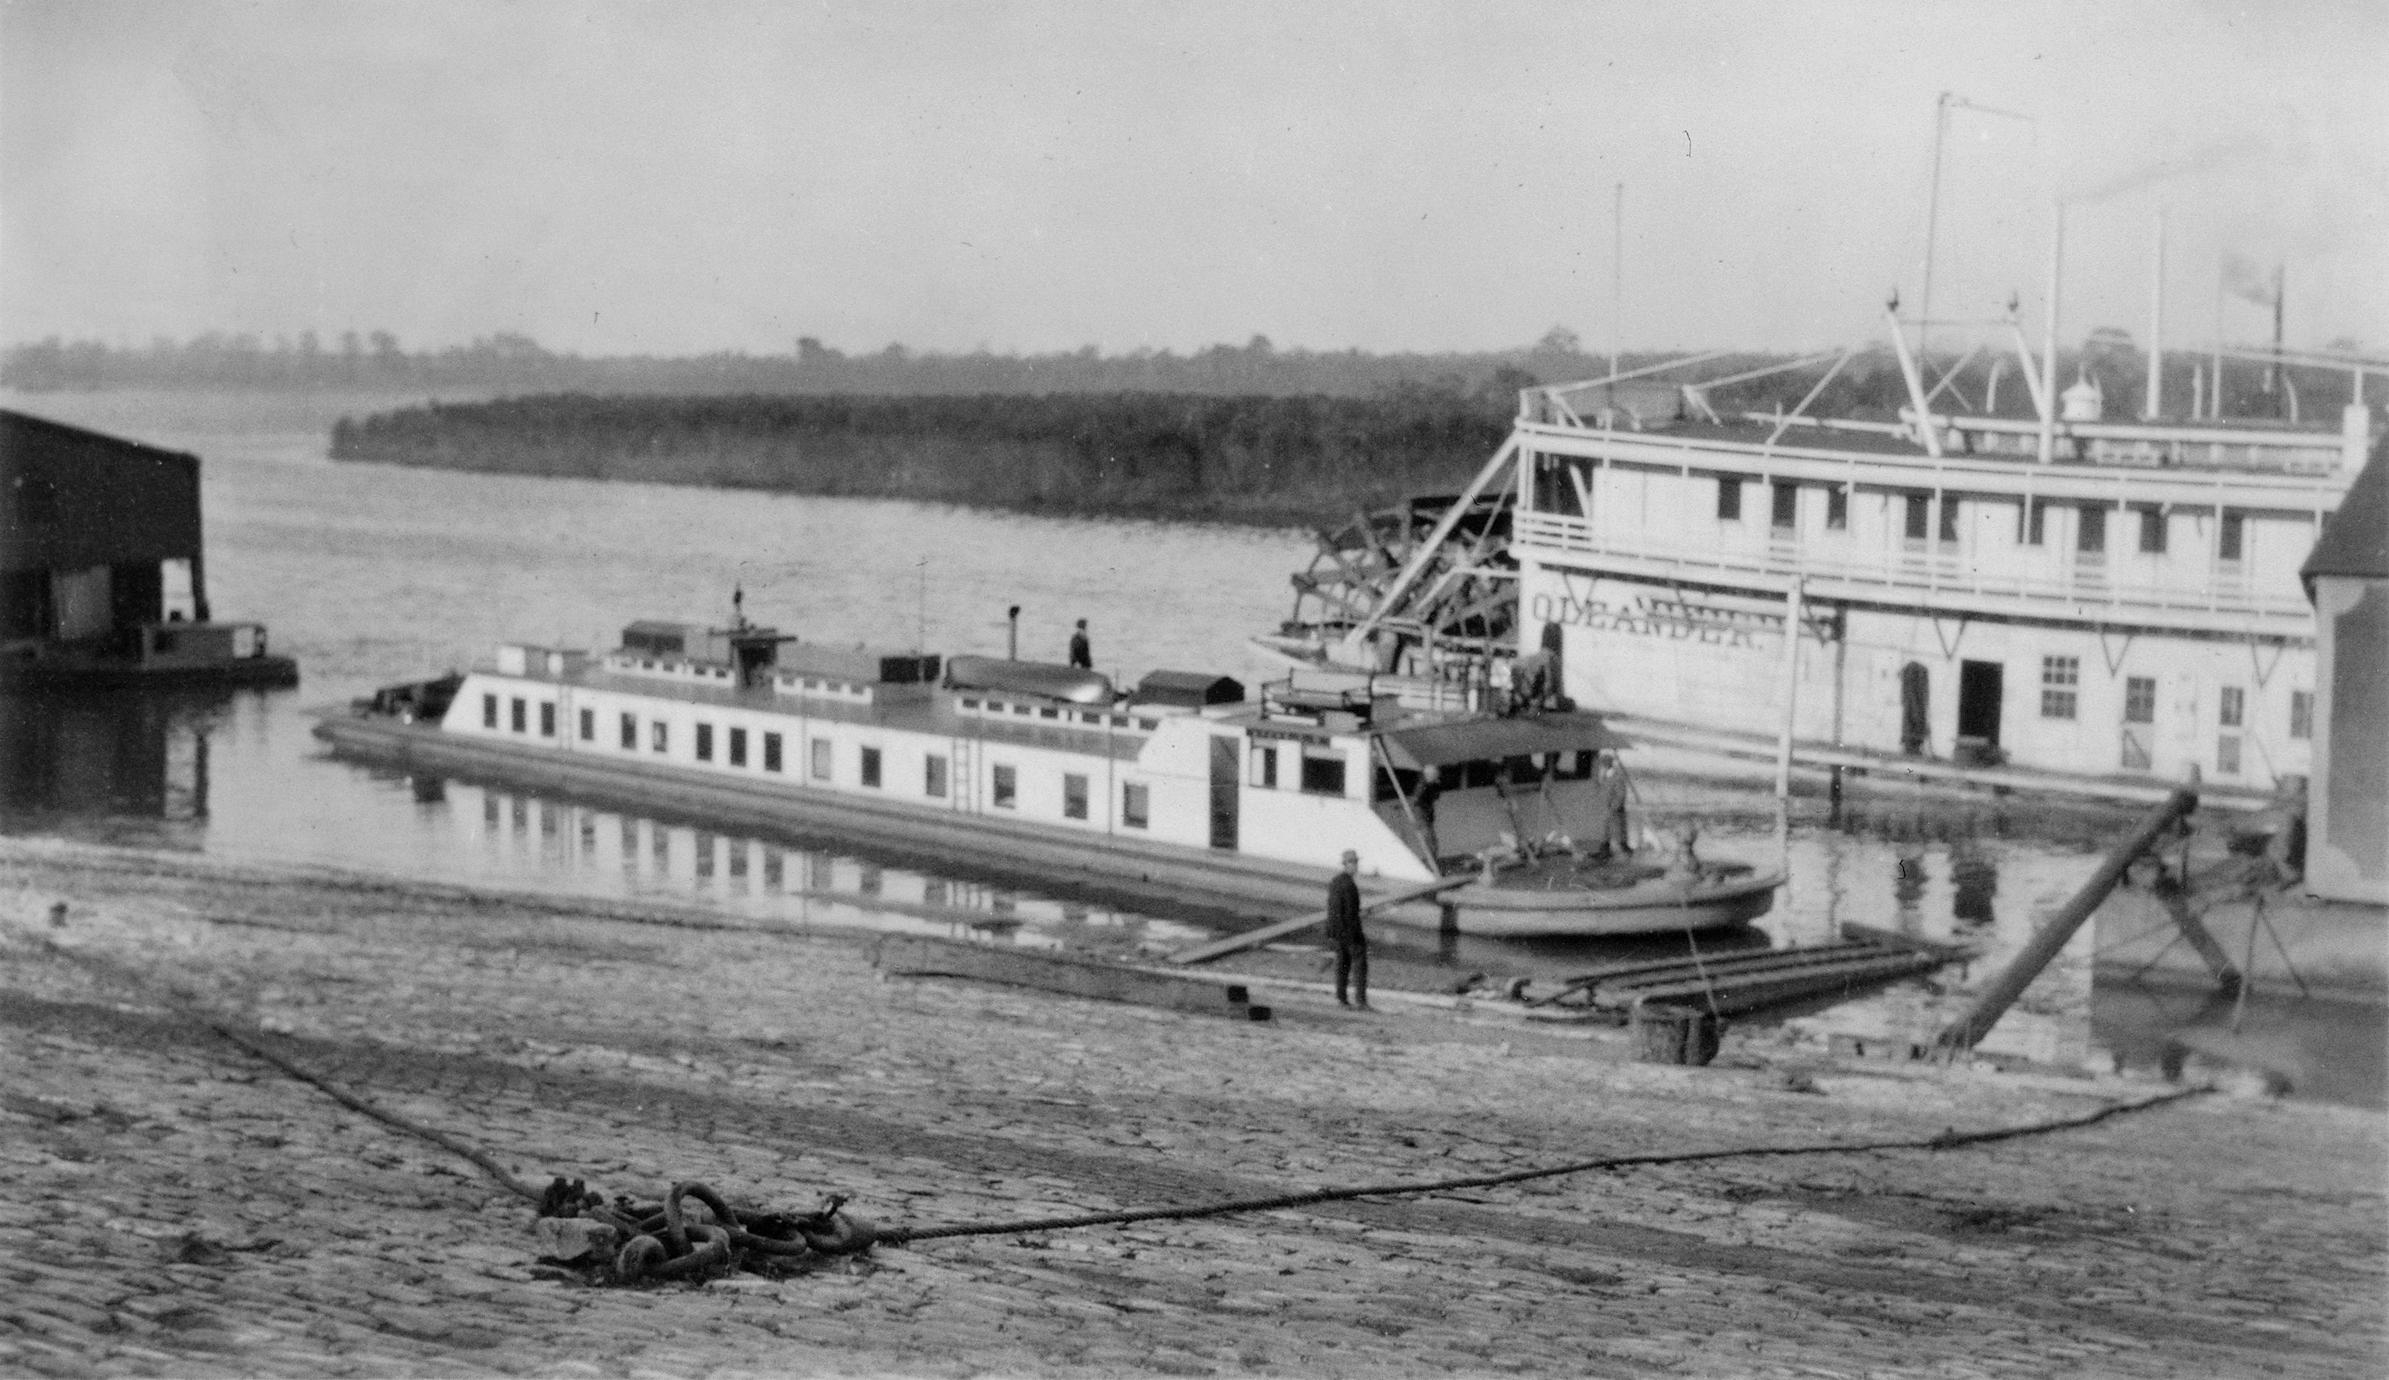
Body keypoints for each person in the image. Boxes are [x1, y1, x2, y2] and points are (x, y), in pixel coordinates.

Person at [1325, 849, 1368, 1009]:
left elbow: (1333, 908)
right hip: (1348, 931)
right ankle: (1360, 1001)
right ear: (1346, 864)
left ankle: (1341, 999)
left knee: (1342, 965)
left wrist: (1332, 932)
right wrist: (1355, 934)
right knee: (1359, 965)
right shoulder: (1349, 885)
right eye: (1353, 863)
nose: (1356, 866)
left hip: (1336, 930)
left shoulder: (1335, 881)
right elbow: (1349, 912)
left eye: (1356, 862)